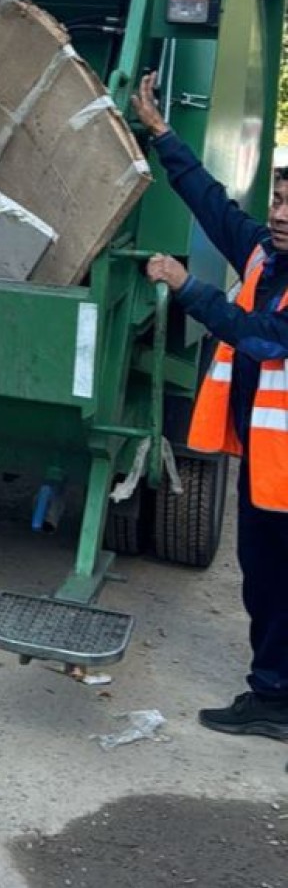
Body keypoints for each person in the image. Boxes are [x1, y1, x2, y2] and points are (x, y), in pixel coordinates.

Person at [132, 71, 288, 742]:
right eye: (280, 198)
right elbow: (213, 205)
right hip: (267, 460)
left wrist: (186, 285)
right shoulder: (264, 254)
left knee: (277, 581)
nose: (280, 212)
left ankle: (274, 698)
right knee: (267, 577)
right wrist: (164, 135)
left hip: (283, 473)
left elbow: (265, 338)